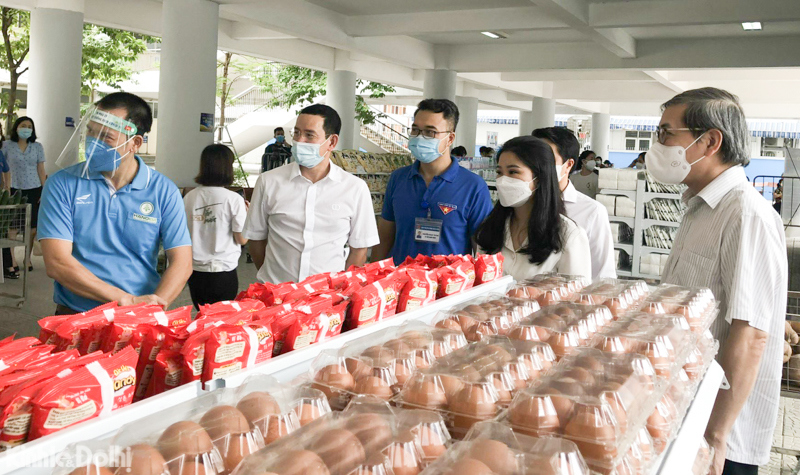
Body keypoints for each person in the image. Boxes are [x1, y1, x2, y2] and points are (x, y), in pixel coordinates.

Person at [649, 87, 787, 475]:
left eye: (665, 133)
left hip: (718, 434)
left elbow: (751, 332)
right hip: (684, 411)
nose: (656, 145)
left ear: (708, 141)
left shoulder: (746, 215)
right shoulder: (698, 208)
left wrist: (716, 435)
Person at [38, 92, 193, 314]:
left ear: (135, 143)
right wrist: (125, 300)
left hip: (140, 314)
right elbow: (57, 262)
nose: (93, 141)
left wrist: (156, 305)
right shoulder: (62, 184)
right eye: (90, 131)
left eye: (106, 136)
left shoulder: (163, 191)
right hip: (77, 314)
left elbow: (182, 262)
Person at [243, 104, 379, 284]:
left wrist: (339, 289)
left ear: (331, 142)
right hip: (275, 295)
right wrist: (273, 281)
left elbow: (359, 249)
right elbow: (256, 239)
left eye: (309, 135)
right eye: (297, 133)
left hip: (326, 298)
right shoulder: (269, 182)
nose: (300, 141)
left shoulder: (354, 188)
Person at [371, 99, 493, 264]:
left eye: (430, 132)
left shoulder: (473, 187)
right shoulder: (398, 178)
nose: (419, 137)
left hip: (450, 286)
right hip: (399, 283)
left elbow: (482, 251)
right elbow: (384, 239)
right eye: (415, 130)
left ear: (450, 139)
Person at [474, 136, 591, 281]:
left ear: (540, 178)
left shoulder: (568, 234)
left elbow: (575, 297)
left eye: (513, 172)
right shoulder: (490, 228)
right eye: (499, 172)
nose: (503, 180)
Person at [533, 127, 616, 279]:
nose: (538, 165)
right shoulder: (522, 205)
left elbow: (603, 274)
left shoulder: (592, 211)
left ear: (569, 164)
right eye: (534, 157)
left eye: (547, 158)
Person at [184, 144, 248, 309]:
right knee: (221, 322)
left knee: (201, 316)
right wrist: (247, 216)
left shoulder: (189, 197)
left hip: (195, 271)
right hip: (224, 271)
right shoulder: (233, 199)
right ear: (228, 167)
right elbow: (241, 239)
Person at [3, 117, 45, 273]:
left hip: (34, 189)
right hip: (13, 190)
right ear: (16, 127)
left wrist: (43, 189)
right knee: (12, 227)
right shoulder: (7, 146)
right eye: (23, 126)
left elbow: (41, 169)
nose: (26, 129)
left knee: (32, 227)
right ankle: (11, 259)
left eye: (29, 126)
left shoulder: (37, 147)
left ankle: (27, 259)